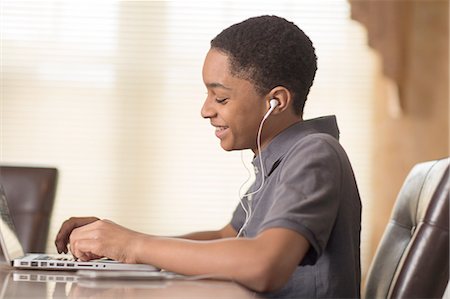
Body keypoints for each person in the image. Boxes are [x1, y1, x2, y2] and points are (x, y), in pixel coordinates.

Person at [55, 15, 361, 298]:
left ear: (275, 102)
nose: (206, 110)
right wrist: (116, 243)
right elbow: (225, 236)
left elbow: (264, 265)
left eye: (221, 97)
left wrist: (133, 246)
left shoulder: (314, 154)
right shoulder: (279, 160)